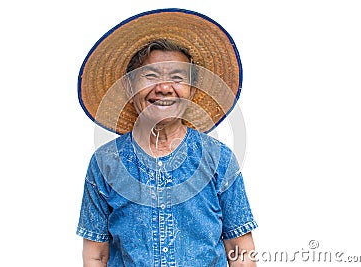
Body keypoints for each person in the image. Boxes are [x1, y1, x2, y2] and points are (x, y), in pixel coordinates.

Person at [77, 9, 258, 266]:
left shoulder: (218, 158)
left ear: (192, 90)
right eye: (150, 76)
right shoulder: (105, 162)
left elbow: (240, 248)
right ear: (130, 86)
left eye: (177, 77)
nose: (163, 88)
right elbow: (97, 254)